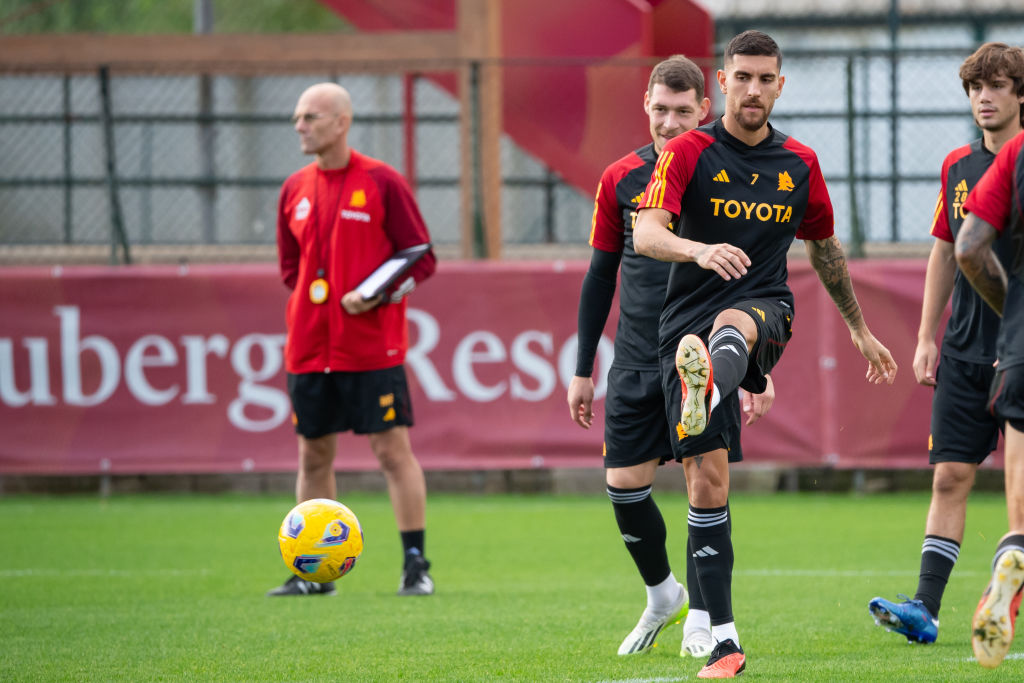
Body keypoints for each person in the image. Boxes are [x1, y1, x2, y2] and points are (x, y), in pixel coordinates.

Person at [632, 31, 898, 678]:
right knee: (706, 483)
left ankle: (711, 381)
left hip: (765, 308)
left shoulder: (800, 162)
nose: (753, 89)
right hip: (682, 324)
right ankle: (724, 641)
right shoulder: (690, 151)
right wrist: (698, 250)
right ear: (722, 82)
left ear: (780, 86)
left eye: (765, 78)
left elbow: (826, 251)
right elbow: (644, 231)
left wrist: (860, 329)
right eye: (742, 76)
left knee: (736, 322)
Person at [567, 55, 775, 660]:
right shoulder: (619, 178)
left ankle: (705, 617)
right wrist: (584, 369)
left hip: (703, 354)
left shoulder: (732, 170)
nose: (669, 121)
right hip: (633, 359)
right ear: (645, 106)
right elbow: (600, 274)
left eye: (683, 111)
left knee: (703, 482)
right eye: (660, 109)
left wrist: (757, 369)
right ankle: (663, 594)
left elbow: (762, 277)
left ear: (705, 110)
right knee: (624, 488)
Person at [868, 42, 1024, 645]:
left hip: (1017, 352)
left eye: (997, 87)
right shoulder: (957, 167)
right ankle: (925, 609)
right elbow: (944, 247)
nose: (983, 98)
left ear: (1019, 95)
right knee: (949, 477)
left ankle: (1002, 596)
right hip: (964, 352)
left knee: (1019, 489)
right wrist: (926, 336)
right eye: (974, 89)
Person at [269, 82, 437, 598]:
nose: (300, 125)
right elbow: (292, 271)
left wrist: (376, 295)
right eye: (297, 117)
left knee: (392, 452)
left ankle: (415, 564)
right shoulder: (293, 188)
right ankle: (312, 573)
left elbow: (421, 258)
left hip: (370, 349)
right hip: (308, 350)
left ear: (341, 122)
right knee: (312, 456)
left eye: (311, 117)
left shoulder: (382, 182)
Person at [956, 126, 1024, 668]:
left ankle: (1015, 552)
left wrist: (1014, 319)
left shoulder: (1015, 153)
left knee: (1021, 517)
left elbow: (969, 248)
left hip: (1021, 349)